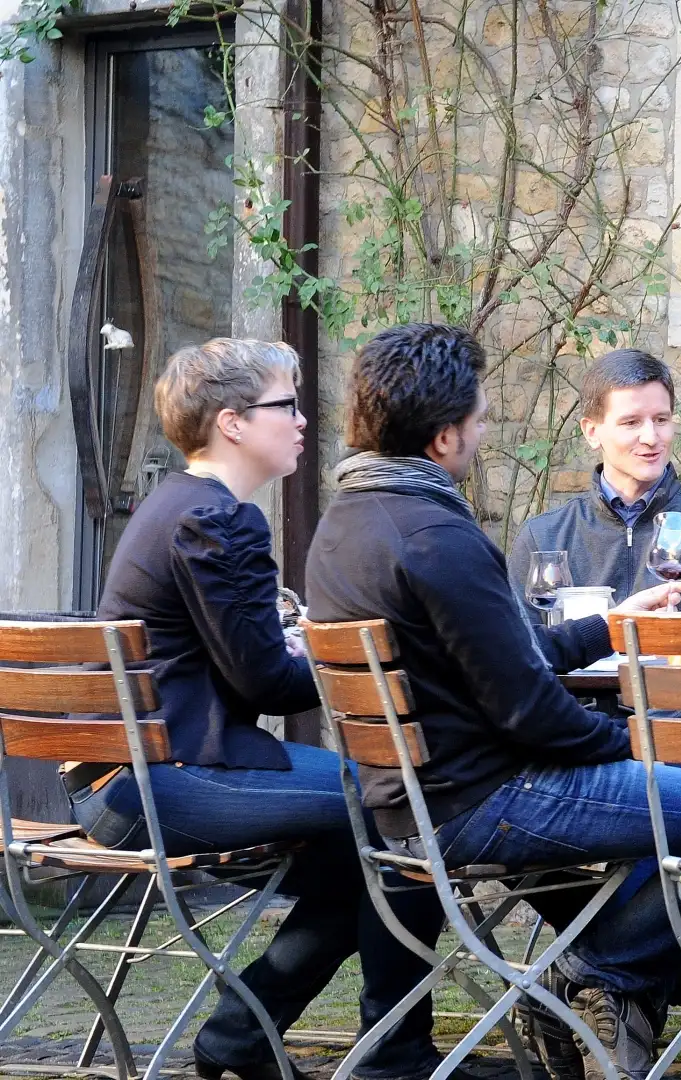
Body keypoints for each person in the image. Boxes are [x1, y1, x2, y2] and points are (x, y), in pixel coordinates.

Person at [302, 323, 681, 1080]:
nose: (485, 430)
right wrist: (629, 747)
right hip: (488, 796)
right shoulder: (437, 534)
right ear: (441, 437)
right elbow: (529, 708)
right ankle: (592, 973)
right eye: (479, 418)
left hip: (409, 798)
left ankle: (582, 979)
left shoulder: (347, 522)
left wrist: (610, 628)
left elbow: (509, 658)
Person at [71, 339, 450, 1080]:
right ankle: (396, 1057)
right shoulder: (218, 519)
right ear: (232, 422)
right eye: (286, 405)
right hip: (162, 782)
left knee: (357, 858)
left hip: (121, 779)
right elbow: (269, 686)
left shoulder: (179, 506)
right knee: (402, 805)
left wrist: (296, 642)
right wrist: (368, 649)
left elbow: (235, 659)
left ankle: (244, 1034)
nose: (303, 421)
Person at [509, 349, 681, 622]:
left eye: (661, 420)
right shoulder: (544, 537)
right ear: (592, 432)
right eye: (631, 422)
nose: (651, 437)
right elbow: (523, 651)